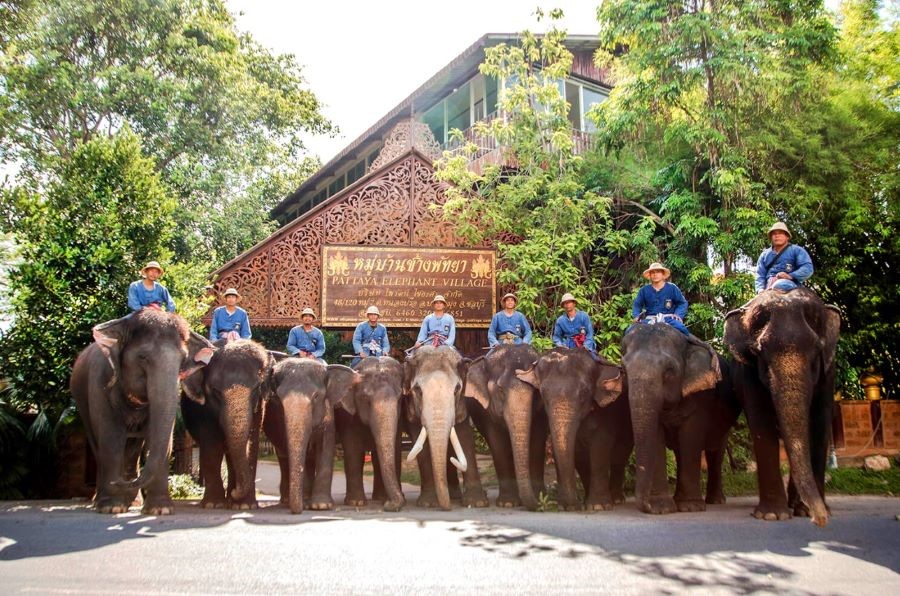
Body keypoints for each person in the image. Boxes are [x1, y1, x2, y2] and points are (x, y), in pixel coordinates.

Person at [631, 262, 690, 336]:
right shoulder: (644, 290)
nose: (655, 275)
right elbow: (637, 305)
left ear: (663, 274)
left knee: (682, 329)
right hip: (649, 319)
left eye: (658, 272)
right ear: (650, 275)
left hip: (669, 319)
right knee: (629, 331)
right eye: (652, 273)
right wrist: (636, 316)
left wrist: (678, 315)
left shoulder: (672, 288)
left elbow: (682, 303)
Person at [755, 222, 814, 293]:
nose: (777, 236)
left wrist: (790, 276)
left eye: (780, 233)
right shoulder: (764, 255)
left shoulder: (797, 250)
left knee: (779, 285)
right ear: (771, 237)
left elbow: (807, 268)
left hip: (789, 284)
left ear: (787, 236)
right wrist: (760, 289)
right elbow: (760, 274)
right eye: (774, 234)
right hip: (768, 286)